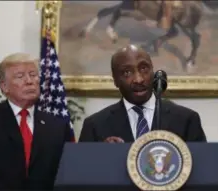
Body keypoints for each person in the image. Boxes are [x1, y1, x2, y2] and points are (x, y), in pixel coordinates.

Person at [79, 45, 207, 143]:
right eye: (127, 72)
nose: (139, 79)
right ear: (116, 80)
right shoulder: (95, 126)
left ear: (154, 71)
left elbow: (202, 170)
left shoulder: (186, 120)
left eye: (144, 68)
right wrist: (103, 157)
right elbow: (81, 174)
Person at [0, 53, 73, 190]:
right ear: (4, 86)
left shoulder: (58, 125)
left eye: (33, 75)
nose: (29, 81)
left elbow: (67, 172)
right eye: (20, 76)